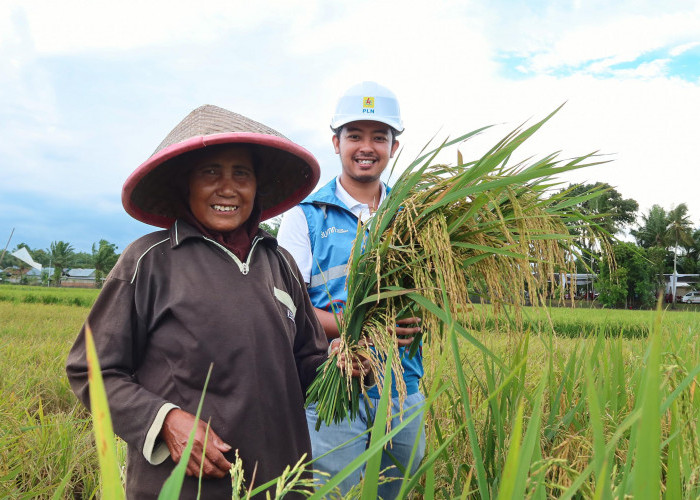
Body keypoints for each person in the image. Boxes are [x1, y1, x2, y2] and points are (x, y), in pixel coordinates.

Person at [66, 105, 336, 499]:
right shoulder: (148, 261)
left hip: (282, 481)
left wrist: (339, 363)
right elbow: (91, 369)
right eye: (210, 172)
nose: (227, 188)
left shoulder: (279, 262)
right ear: (185, 184)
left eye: (241, 173)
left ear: (257, 187)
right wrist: (166, 421)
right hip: (184, 486)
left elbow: (307, 362)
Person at [277, 81, 426, 499]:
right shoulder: (304, 216)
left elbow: (430, 290)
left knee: (397, 490)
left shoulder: (413, 215)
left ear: (394, 146)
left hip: (404, 385)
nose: (367, 146)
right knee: (331, 492)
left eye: (379, 137)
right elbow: (287, 308)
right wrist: (354, 326)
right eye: (355, 135)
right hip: (335, 383)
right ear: (335, 142)